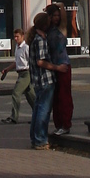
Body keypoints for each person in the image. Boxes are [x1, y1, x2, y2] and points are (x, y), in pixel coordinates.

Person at [27, 13, 64, 149]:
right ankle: (40, 139)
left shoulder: (35, 38)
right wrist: (57, 68)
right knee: (43, 110)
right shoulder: (40, 40)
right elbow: (41, 62)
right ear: (45, 24)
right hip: (45, 79)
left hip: (37, 80)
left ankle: (35, 138)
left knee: (37, 109)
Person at [45, 3, 73, 135]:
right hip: (53, 67)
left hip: (64, 66)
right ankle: (58, 124)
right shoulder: (47, 31)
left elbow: (64, 17)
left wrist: (60, 6)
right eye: (53, 15)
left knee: (64, 96)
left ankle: (66, 124)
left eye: (58, 15)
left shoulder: (61, 29)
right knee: (55, 98)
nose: (57, 18)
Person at [0, 28, 35, 124]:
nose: (15, 38)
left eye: (17, 36)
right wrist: (7, 69)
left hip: (26, 73)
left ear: (22, 36)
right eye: (14, 36)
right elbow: (17, 62)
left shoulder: (26, 47)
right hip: (20, 73)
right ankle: (40, 115)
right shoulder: (17, 47)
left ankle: (14, 117)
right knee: (30, 96)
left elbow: (31, 61)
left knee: (16, 93)